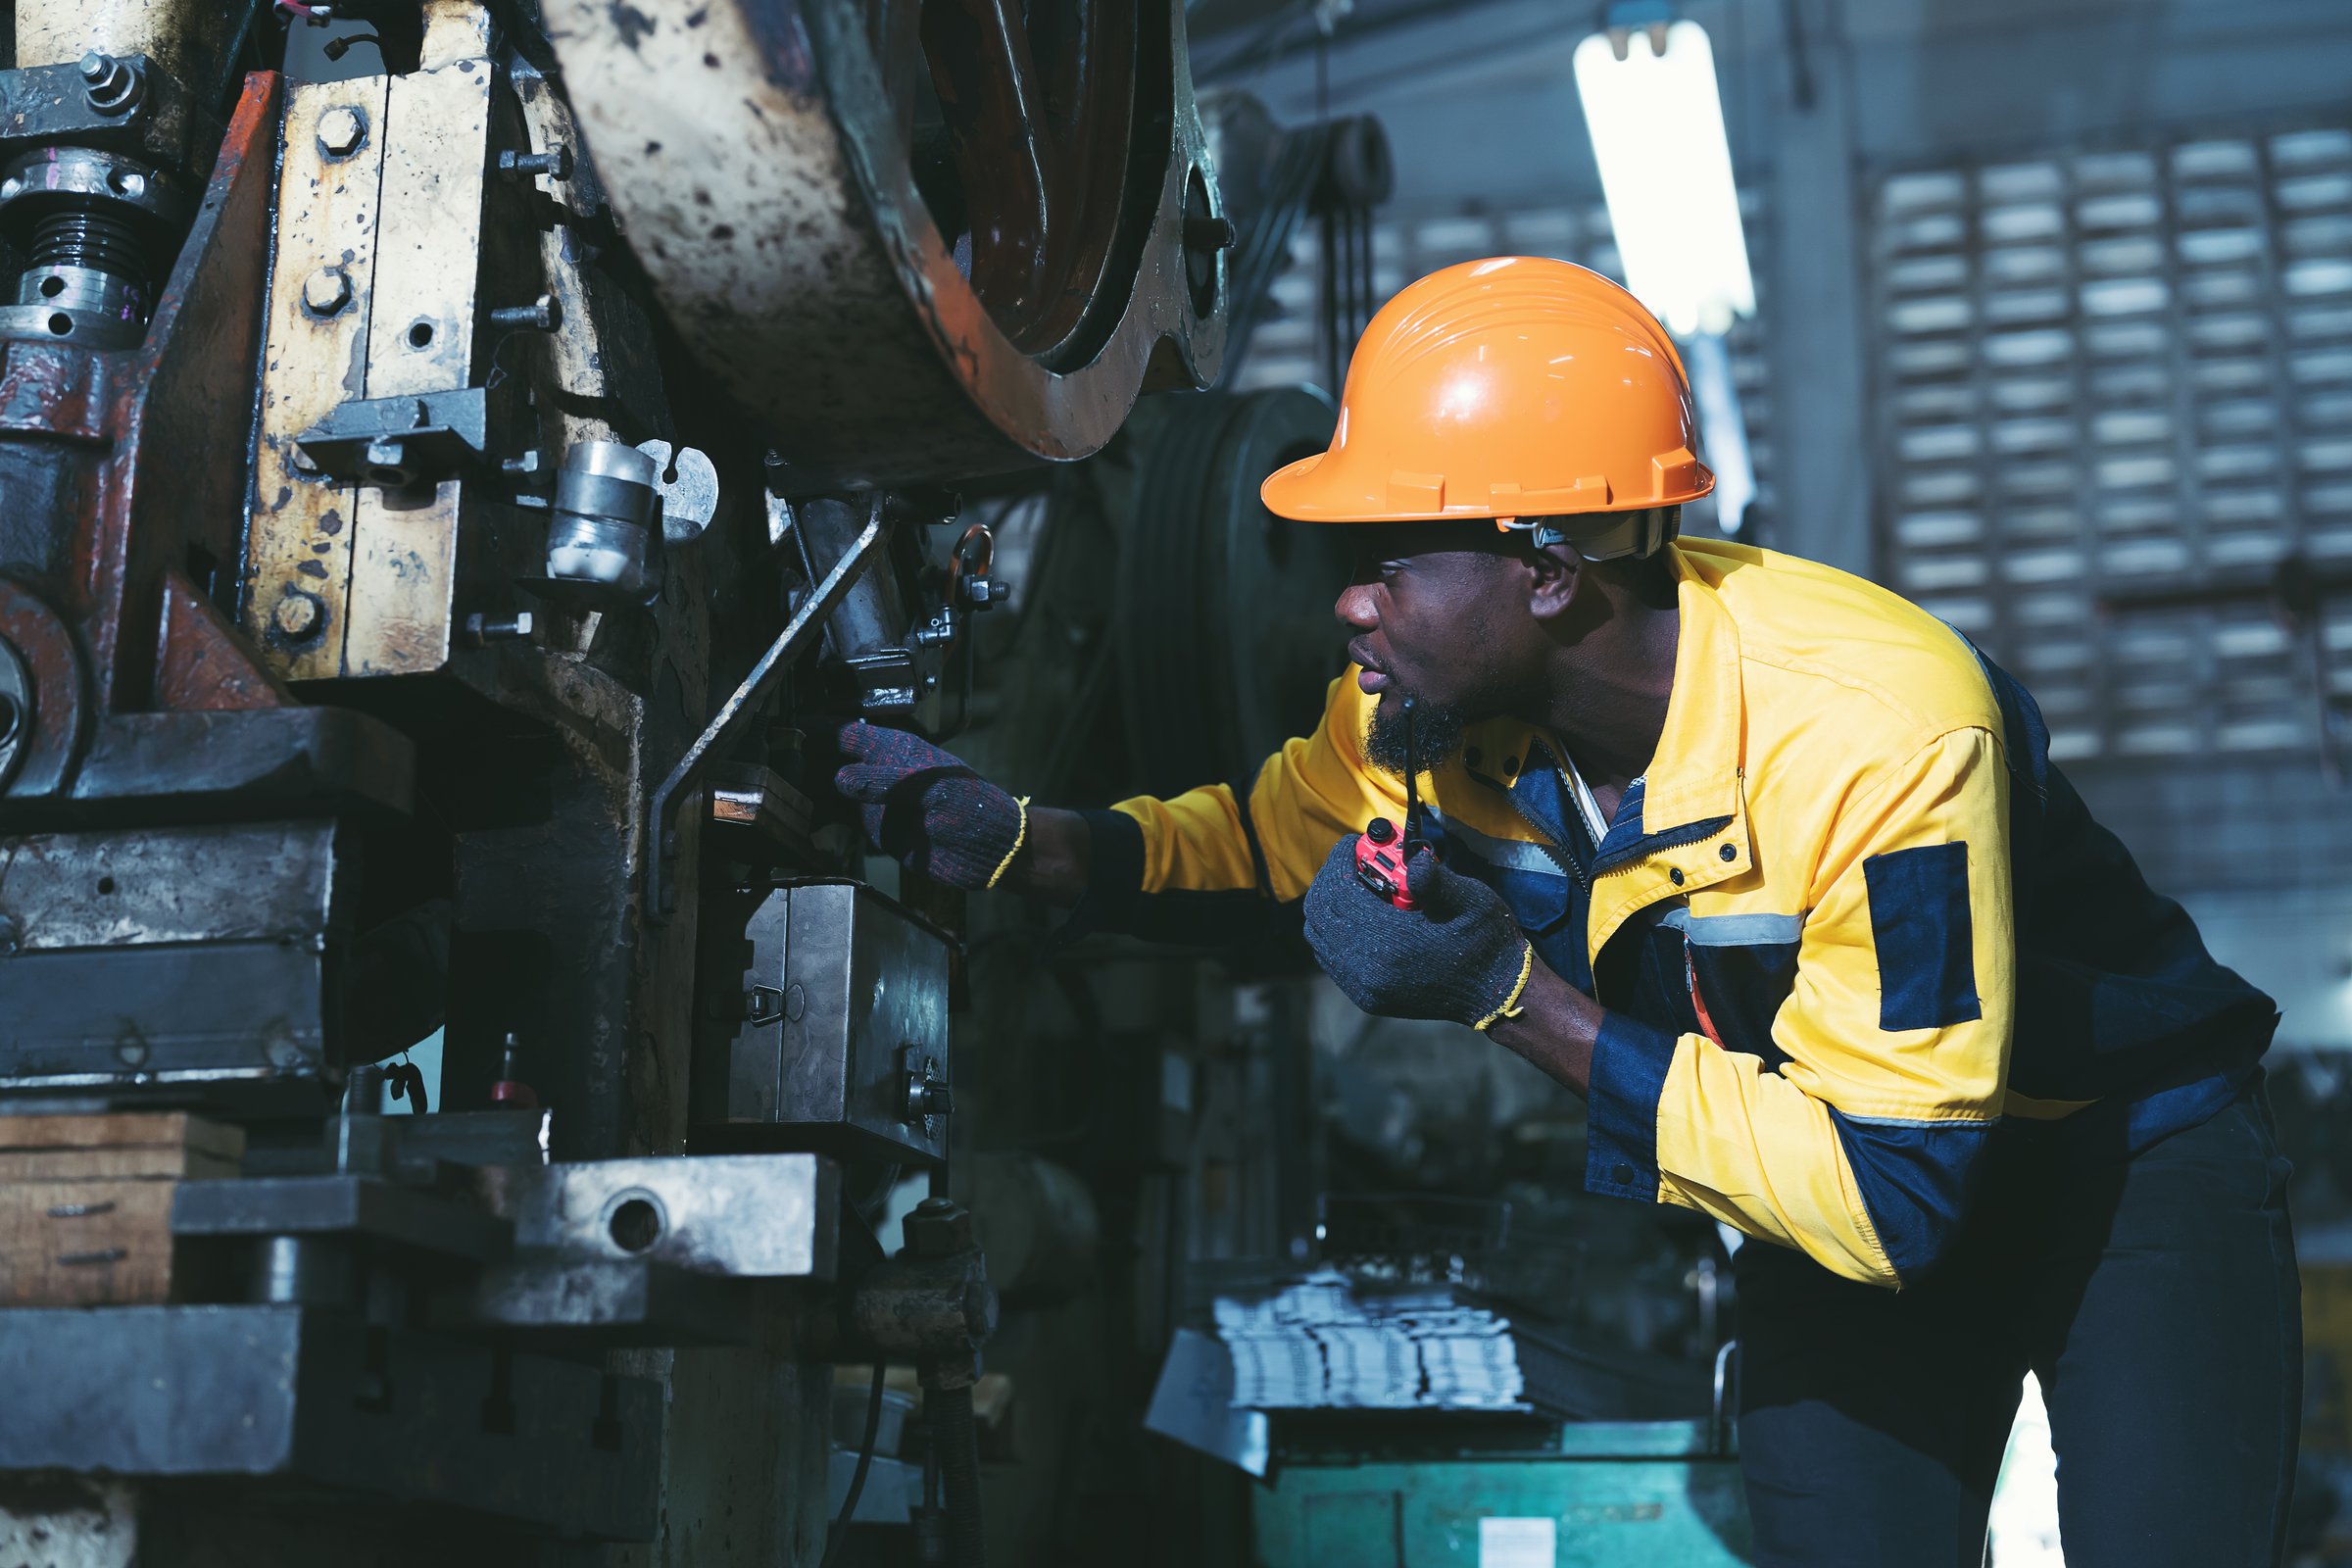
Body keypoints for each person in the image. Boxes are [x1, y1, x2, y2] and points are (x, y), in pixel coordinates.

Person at [829, 257, 2297, 1566]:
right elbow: (1272, 846)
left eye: (1389, 562)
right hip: (1820, 1171)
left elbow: (1888, 1193)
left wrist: (1514, 1000)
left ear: (1544, 572)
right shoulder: (1422, 718)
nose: (1348, 605)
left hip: (2116, 1169)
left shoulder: (1879, 735)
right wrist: (1025, 844)